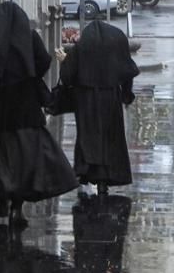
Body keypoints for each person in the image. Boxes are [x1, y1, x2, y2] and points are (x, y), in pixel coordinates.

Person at [0, 2, 77, 228]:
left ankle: (3, 203)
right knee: (24, 160)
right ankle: (18, 207)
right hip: (26, 109)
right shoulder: (28, 37)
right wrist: (30, 73)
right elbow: (45, 60)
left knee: (2, 158)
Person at [58, 19, 139, 197]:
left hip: (85, 99)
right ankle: (105, 178)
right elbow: (128, 71)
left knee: (88, 137)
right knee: (109, 138)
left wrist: (65, 61)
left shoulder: (82, 48)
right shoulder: (115, 46)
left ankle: (86, 171)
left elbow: (67, 76)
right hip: (110, 98)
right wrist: (126, 94)